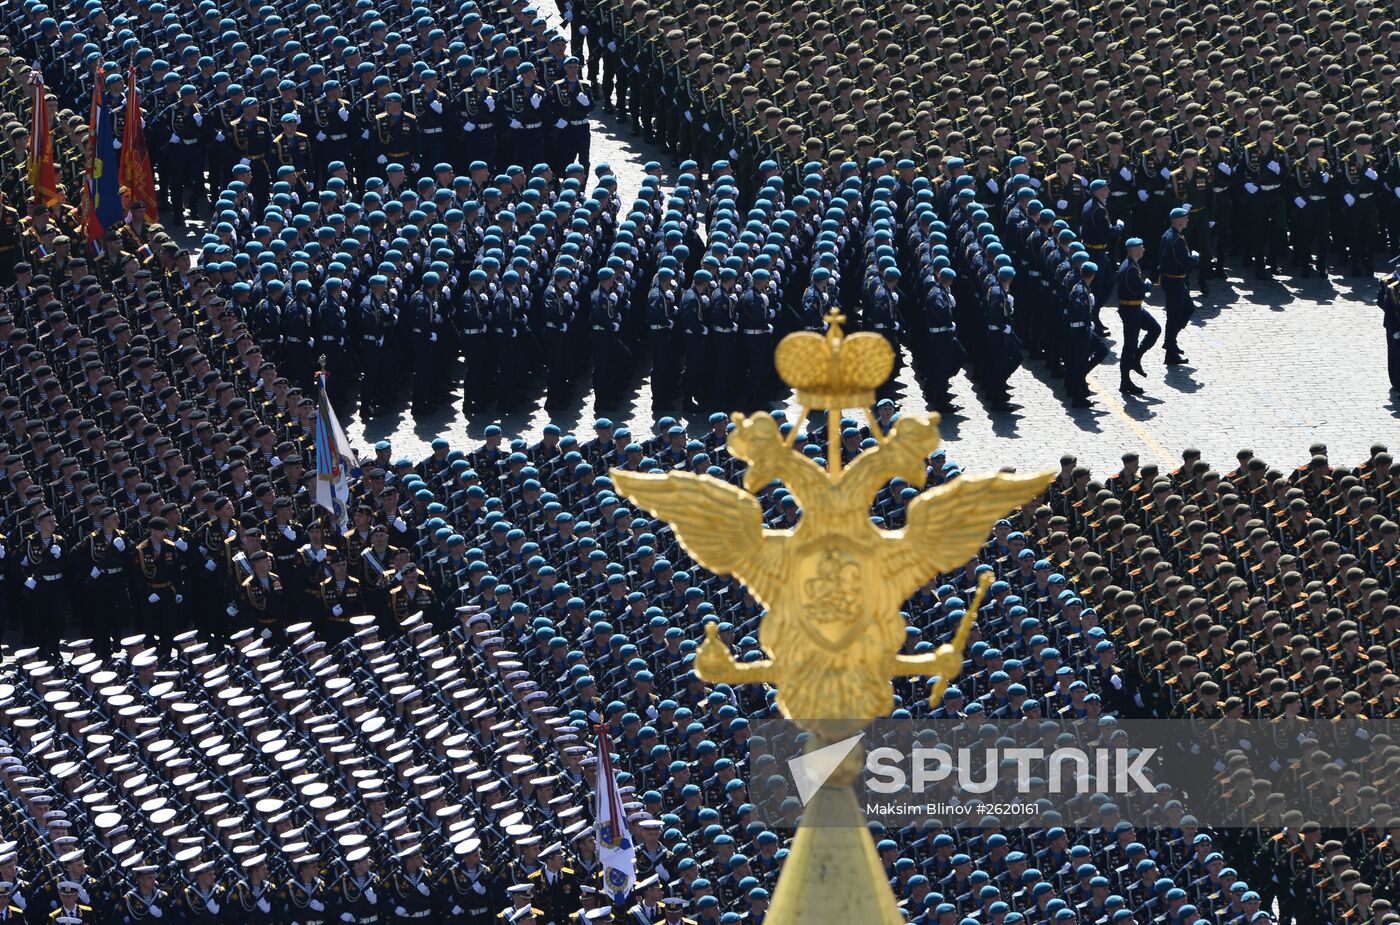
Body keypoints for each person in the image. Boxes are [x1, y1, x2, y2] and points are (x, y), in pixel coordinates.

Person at [1115, 238, 1158, 396]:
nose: (1144, 250)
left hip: (1136, 307)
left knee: (1155, 329)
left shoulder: (1132, 264)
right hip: (1130, 309)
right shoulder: (1130, 268)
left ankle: (1136, 358)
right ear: (1133, 250)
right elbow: (1136, 290)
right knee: (1129, 345)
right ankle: (1125, 381)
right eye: (1141, 247)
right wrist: (1147, 286)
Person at [1157, 208, 1197, 366]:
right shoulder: (1176, 239)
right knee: (1174, 316)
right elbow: (1183, 260)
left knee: (1188, 309)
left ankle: (1171, 341)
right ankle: (1170, 350)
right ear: (1178, 220)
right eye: (1185, 217)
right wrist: (1194, 258)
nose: (1187, 220)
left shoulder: (1171, 235)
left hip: (1176, 280)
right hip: (1175, 281)